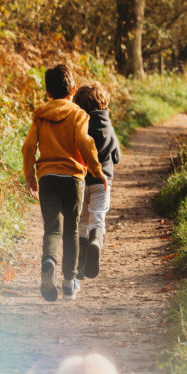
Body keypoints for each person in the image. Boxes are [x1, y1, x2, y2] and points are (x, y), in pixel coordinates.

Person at [21, 64, 106, 301]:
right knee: (71, 229)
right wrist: (97, 171)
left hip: (47, 177)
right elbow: (84, 142)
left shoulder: (40, 114)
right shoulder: (78, 114)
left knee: (52, 228)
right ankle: (69, 283)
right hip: (73, 179)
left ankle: (49, 261)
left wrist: (30, 176)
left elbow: (28, 146)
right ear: (73, 89)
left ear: (47, 92)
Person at [74, 83, 121, 280]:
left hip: (82, 179)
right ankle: (96, 242)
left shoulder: (78, 124)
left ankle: (80, 264)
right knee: (98, 217)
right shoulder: (108, 125)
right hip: (103, 182)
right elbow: (116, 156)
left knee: (82, 220)